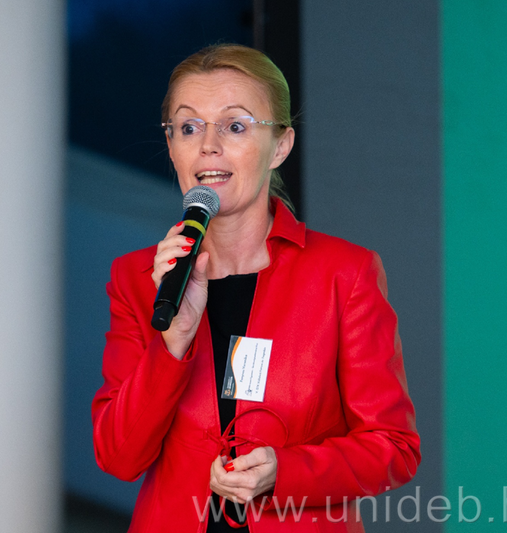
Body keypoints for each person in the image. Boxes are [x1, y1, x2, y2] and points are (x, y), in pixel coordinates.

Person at [91, 44, 420, 532]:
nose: (208, 145)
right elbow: (118, 457)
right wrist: (171, 343)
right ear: (172, 146)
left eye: (235, 126)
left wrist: (286, 472)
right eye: (188, 127)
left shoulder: (344, 274)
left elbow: (394, 447)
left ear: (280, 146)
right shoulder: (138, 279)